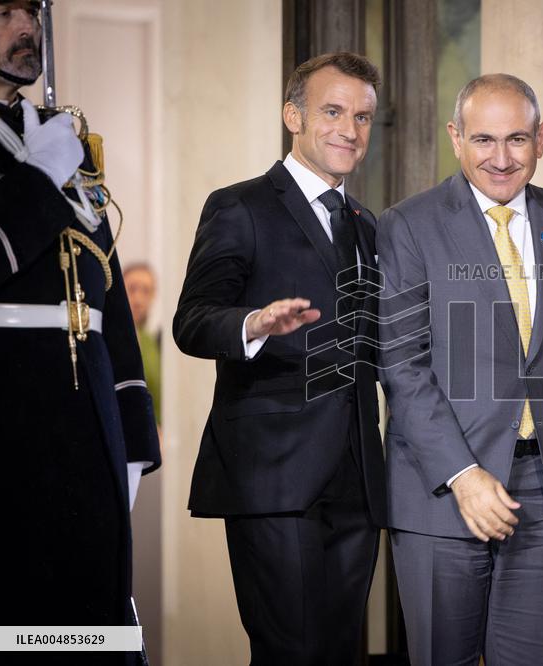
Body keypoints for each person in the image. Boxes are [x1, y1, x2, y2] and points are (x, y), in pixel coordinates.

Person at [376, 73, 543, 665]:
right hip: (441, 494)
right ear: (455, 137)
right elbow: (402, 364)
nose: (501, 158)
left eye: (517, 139)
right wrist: (463, 476)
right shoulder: (408, 224)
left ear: (542, 138)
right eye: (483, 139)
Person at [173, 52, 386, 664]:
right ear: (293, 116)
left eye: (362, 117)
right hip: (273, 472)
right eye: (333, 111)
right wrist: (254, 323)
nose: (350, 129)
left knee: (342, 651)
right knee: (290, 651)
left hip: (357, 475)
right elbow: (193, 321)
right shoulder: (239, 206)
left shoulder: (366, 225)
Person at [0, 0, 161, 650]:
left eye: (32, 12)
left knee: (87, 630)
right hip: (0, 419)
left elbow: (101, 291)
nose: (26, 28)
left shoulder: (60, 136)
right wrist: (36, 178)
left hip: (87, 425)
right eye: (3, 12)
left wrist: (132, 431)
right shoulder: (48, 153)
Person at [124, 262, 161, 424]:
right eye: (132, 289)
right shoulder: (109, 341)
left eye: (146, 291)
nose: (138, 299)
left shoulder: (151, 342)